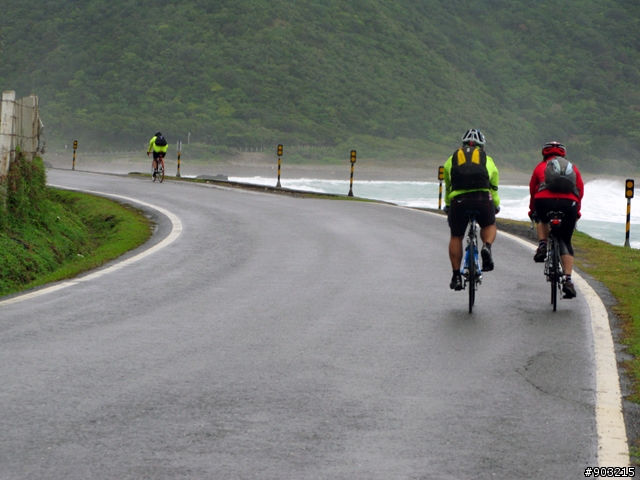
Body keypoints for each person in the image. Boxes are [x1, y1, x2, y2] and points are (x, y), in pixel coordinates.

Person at [444, 129, 500, 291]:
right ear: (481, 146)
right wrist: (495, 205)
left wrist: (448, 204)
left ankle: (456, 276)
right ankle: (486, 247)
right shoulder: (487, 160)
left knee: (456, 236)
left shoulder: (452, 159)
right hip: (482, 199)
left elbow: (449, 186)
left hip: (459, 201)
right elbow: (493, 187)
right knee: (489, 224)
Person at [528, 141, 584, 299]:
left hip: (544, 202)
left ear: (544, 154)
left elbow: (533, 191)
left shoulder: (540, 167)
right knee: (565, 240)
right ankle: (567, 280)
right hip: (569, 204)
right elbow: (580, 191)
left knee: (542, 218)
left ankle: (542, 245)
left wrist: (532, 210)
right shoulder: (572, 167)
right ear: (563, 155)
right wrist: (576, 212)